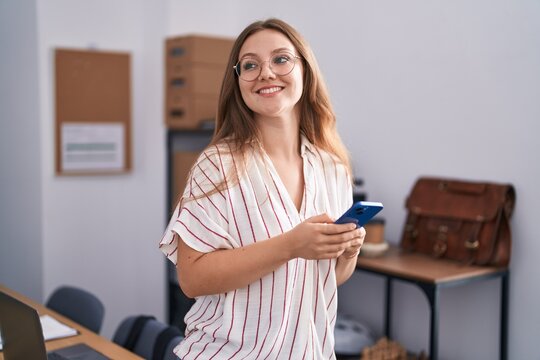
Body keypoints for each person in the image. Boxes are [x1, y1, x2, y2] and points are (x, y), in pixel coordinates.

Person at [159, 18, 365, 359]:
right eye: (250, 65)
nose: (266, 73)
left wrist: (348, 251)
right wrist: (290, 245)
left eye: (281, 59)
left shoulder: (333, 168)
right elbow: (192, 277)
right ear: (238, 81)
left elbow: (328, 278)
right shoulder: (218, 166)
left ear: (305, 70)